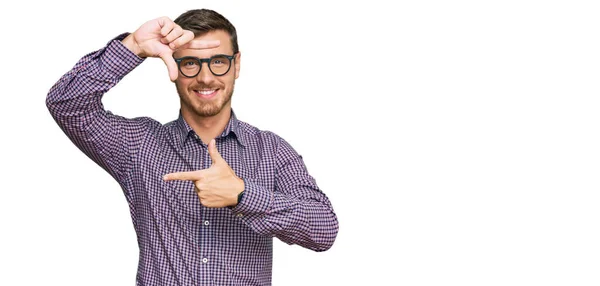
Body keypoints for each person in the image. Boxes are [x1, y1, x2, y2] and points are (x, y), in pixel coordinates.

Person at [46, 8, 338, 286]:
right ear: (173, 65)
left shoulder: (271, 151)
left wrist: (243, 195)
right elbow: (66, 104)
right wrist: (133, 45)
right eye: (190, 63)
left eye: (219, 61)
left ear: (236, 65)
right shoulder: (138, 145)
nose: (206, 77)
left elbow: (324, 230)